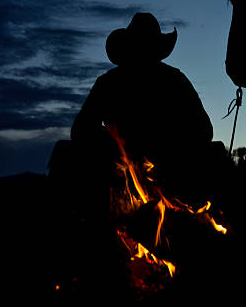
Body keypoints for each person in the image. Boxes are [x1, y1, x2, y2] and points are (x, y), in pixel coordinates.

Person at [70, 12, 214, 201]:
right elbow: (81, 130)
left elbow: (203, 131)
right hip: (117, 174)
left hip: (170, 175)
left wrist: (168, 150)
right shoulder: (110, 83)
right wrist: (119, 149)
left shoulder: (174, 81)